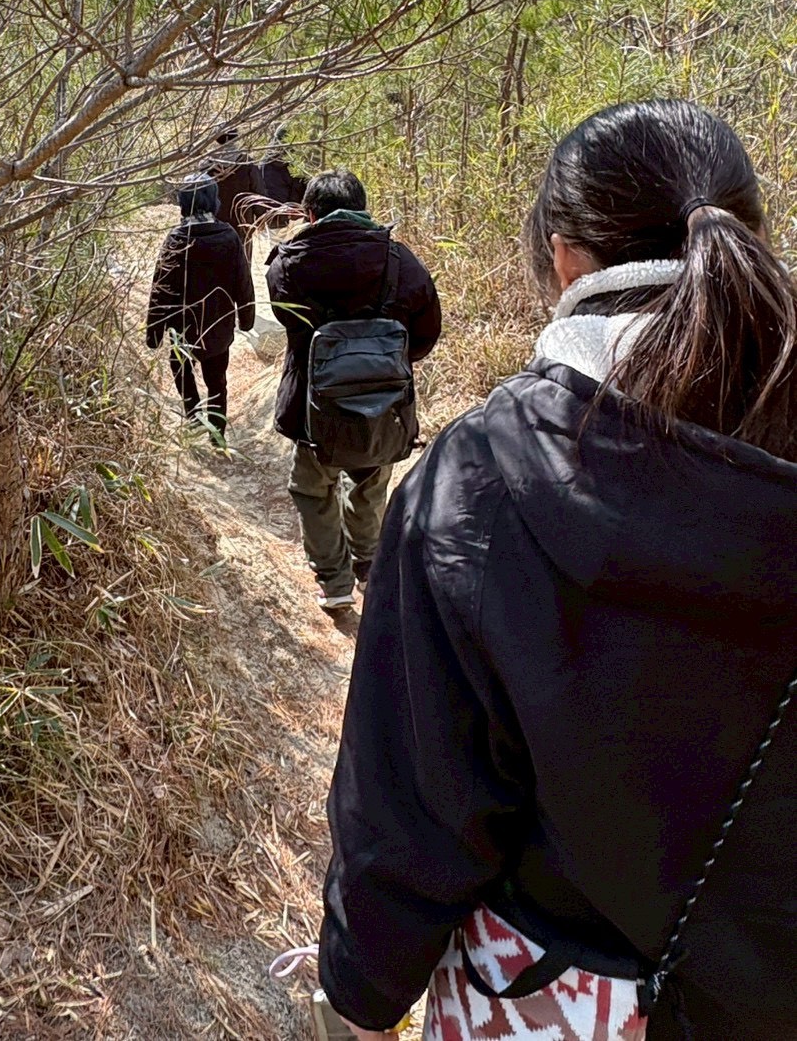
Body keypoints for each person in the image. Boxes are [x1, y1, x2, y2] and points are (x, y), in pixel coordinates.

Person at [318, 100, 797, 1041]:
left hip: (560, 996)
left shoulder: (480, 481)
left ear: (565, 258)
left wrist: (359, 993)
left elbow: (411, 812)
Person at [266, 168, 441, 612]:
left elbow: (290, 324)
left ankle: (334, 581)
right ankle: (371, 565)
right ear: (363, 208)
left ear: (309, 213)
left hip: (313, 410)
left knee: (313, 489)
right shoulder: (401, 261)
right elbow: (425, 336)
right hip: (384, 408)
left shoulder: (289, 262)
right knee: (370, 482)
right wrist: (379, 365)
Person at [146, 173, 255, 435]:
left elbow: (161, 290)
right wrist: (246, 318)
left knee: (181, 370)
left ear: (183, 202)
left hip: (182, 329)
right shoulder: (229, 236)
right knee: (217, 382)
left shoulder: (176, 240)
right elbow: (243, 282)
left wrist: (154, 334)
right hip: (219, 327)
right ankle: (217, 434)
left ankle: (194, 417)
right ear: (214, 200)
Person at [205, 126, 262, 259]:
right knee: (243, 262)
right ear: (235, 137)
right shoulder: (246, 162)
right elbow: (258, 193)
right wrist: (261, 216)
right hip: (242, 222)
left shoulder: (207, 165)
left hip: (216, 224)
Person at [259, 126, 307, 221]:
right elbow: (299, 187)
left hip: (269, 213)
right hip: (292, 215)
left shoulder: (265, 161)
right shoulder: (296, 161)